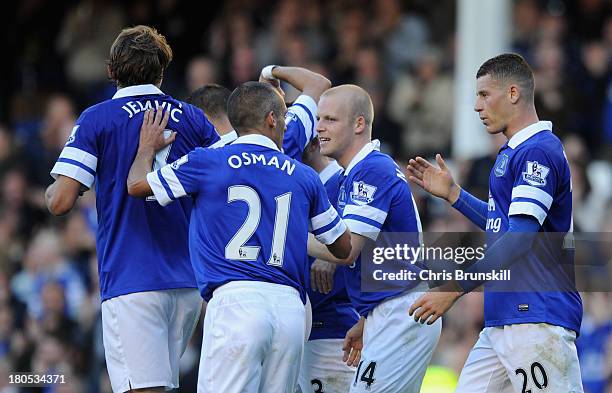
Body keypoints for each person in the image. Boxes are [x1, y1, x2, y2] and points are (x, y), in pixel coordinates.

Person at [126, 82, 352, 393]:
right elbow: (342, 247)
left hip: (236, 302)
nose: (286, 124)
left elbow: (136, 186)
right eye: (285, 116)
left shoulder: (208, 161)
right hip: (291, 310)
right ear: (271, 119)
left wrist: (146, 149)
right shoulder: (303, 175)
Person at [45, 25, 220, 393]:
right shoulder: (192, 118)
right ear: (161, 72)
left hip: (131, 279)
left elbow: (60, 202)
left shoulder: (98, 118)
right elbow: (223, 183)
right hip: (188, 283)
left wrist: (50, 191)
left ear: (111, 71)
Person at [407, 53, 584, 392]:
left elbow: (519, 239)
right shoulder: (513, 152)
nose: (476, 105)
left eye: (484, 94)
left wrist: (454, 289)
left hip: (536, 318)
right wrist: (455, 195)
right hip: (502, 320)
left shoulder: (538, 151)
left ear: (514, 93)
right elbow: (501, 225)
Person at [307, 85, 441, 392]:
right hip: (387, 310)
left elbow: (348, 251)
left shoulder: (371, 170)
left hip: (401, 311)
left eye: (330, 119)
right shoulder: (354, 174)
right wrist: (368, 318)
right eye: (318, 119)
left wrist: (289, 236)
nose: (319, 128)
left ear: (358, 124)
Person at [299, 137, 360, 393]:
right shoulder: (300, 184)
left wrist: (334, 254)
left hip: (337, 329)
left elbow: (364, 246)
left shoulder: (349, 180)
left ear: (313, 142)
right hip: (306, 329)